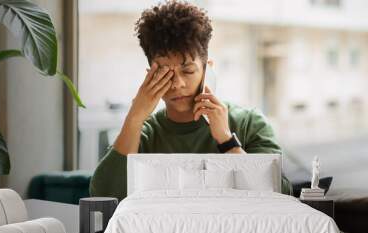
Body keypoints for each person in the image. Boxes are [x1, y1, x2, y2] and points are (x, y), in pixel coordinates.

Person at [90, 0, 292, 201]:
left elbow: (282, 194)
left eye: (187, 70)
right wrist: (135, 117)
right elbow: (103, 195)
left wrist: (227, 141)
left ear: (207, 68)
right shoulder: (143, 135)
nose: (178, 83)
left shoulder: (250, 123)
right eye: (165, 73)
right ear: (149, 76)